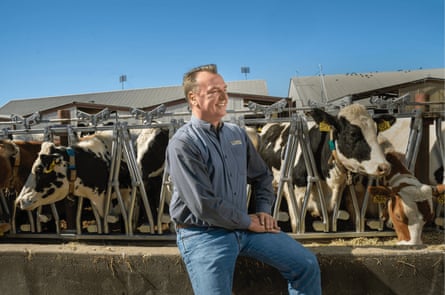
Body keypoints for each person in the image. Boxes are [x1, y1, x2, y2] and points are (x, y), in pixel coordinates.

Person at [166, 64, 322, 295]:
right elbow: (203, 205)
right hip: (204, 233)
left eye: (224, 89)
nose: (223, 97)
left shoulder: (236, 134)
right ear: (193, 98)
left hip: (245, 228)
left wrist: (263, 211)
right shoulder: (183, 143)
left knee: (306, 265)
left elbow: (262, 176)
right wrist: (247, 222)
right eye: (213, 91)